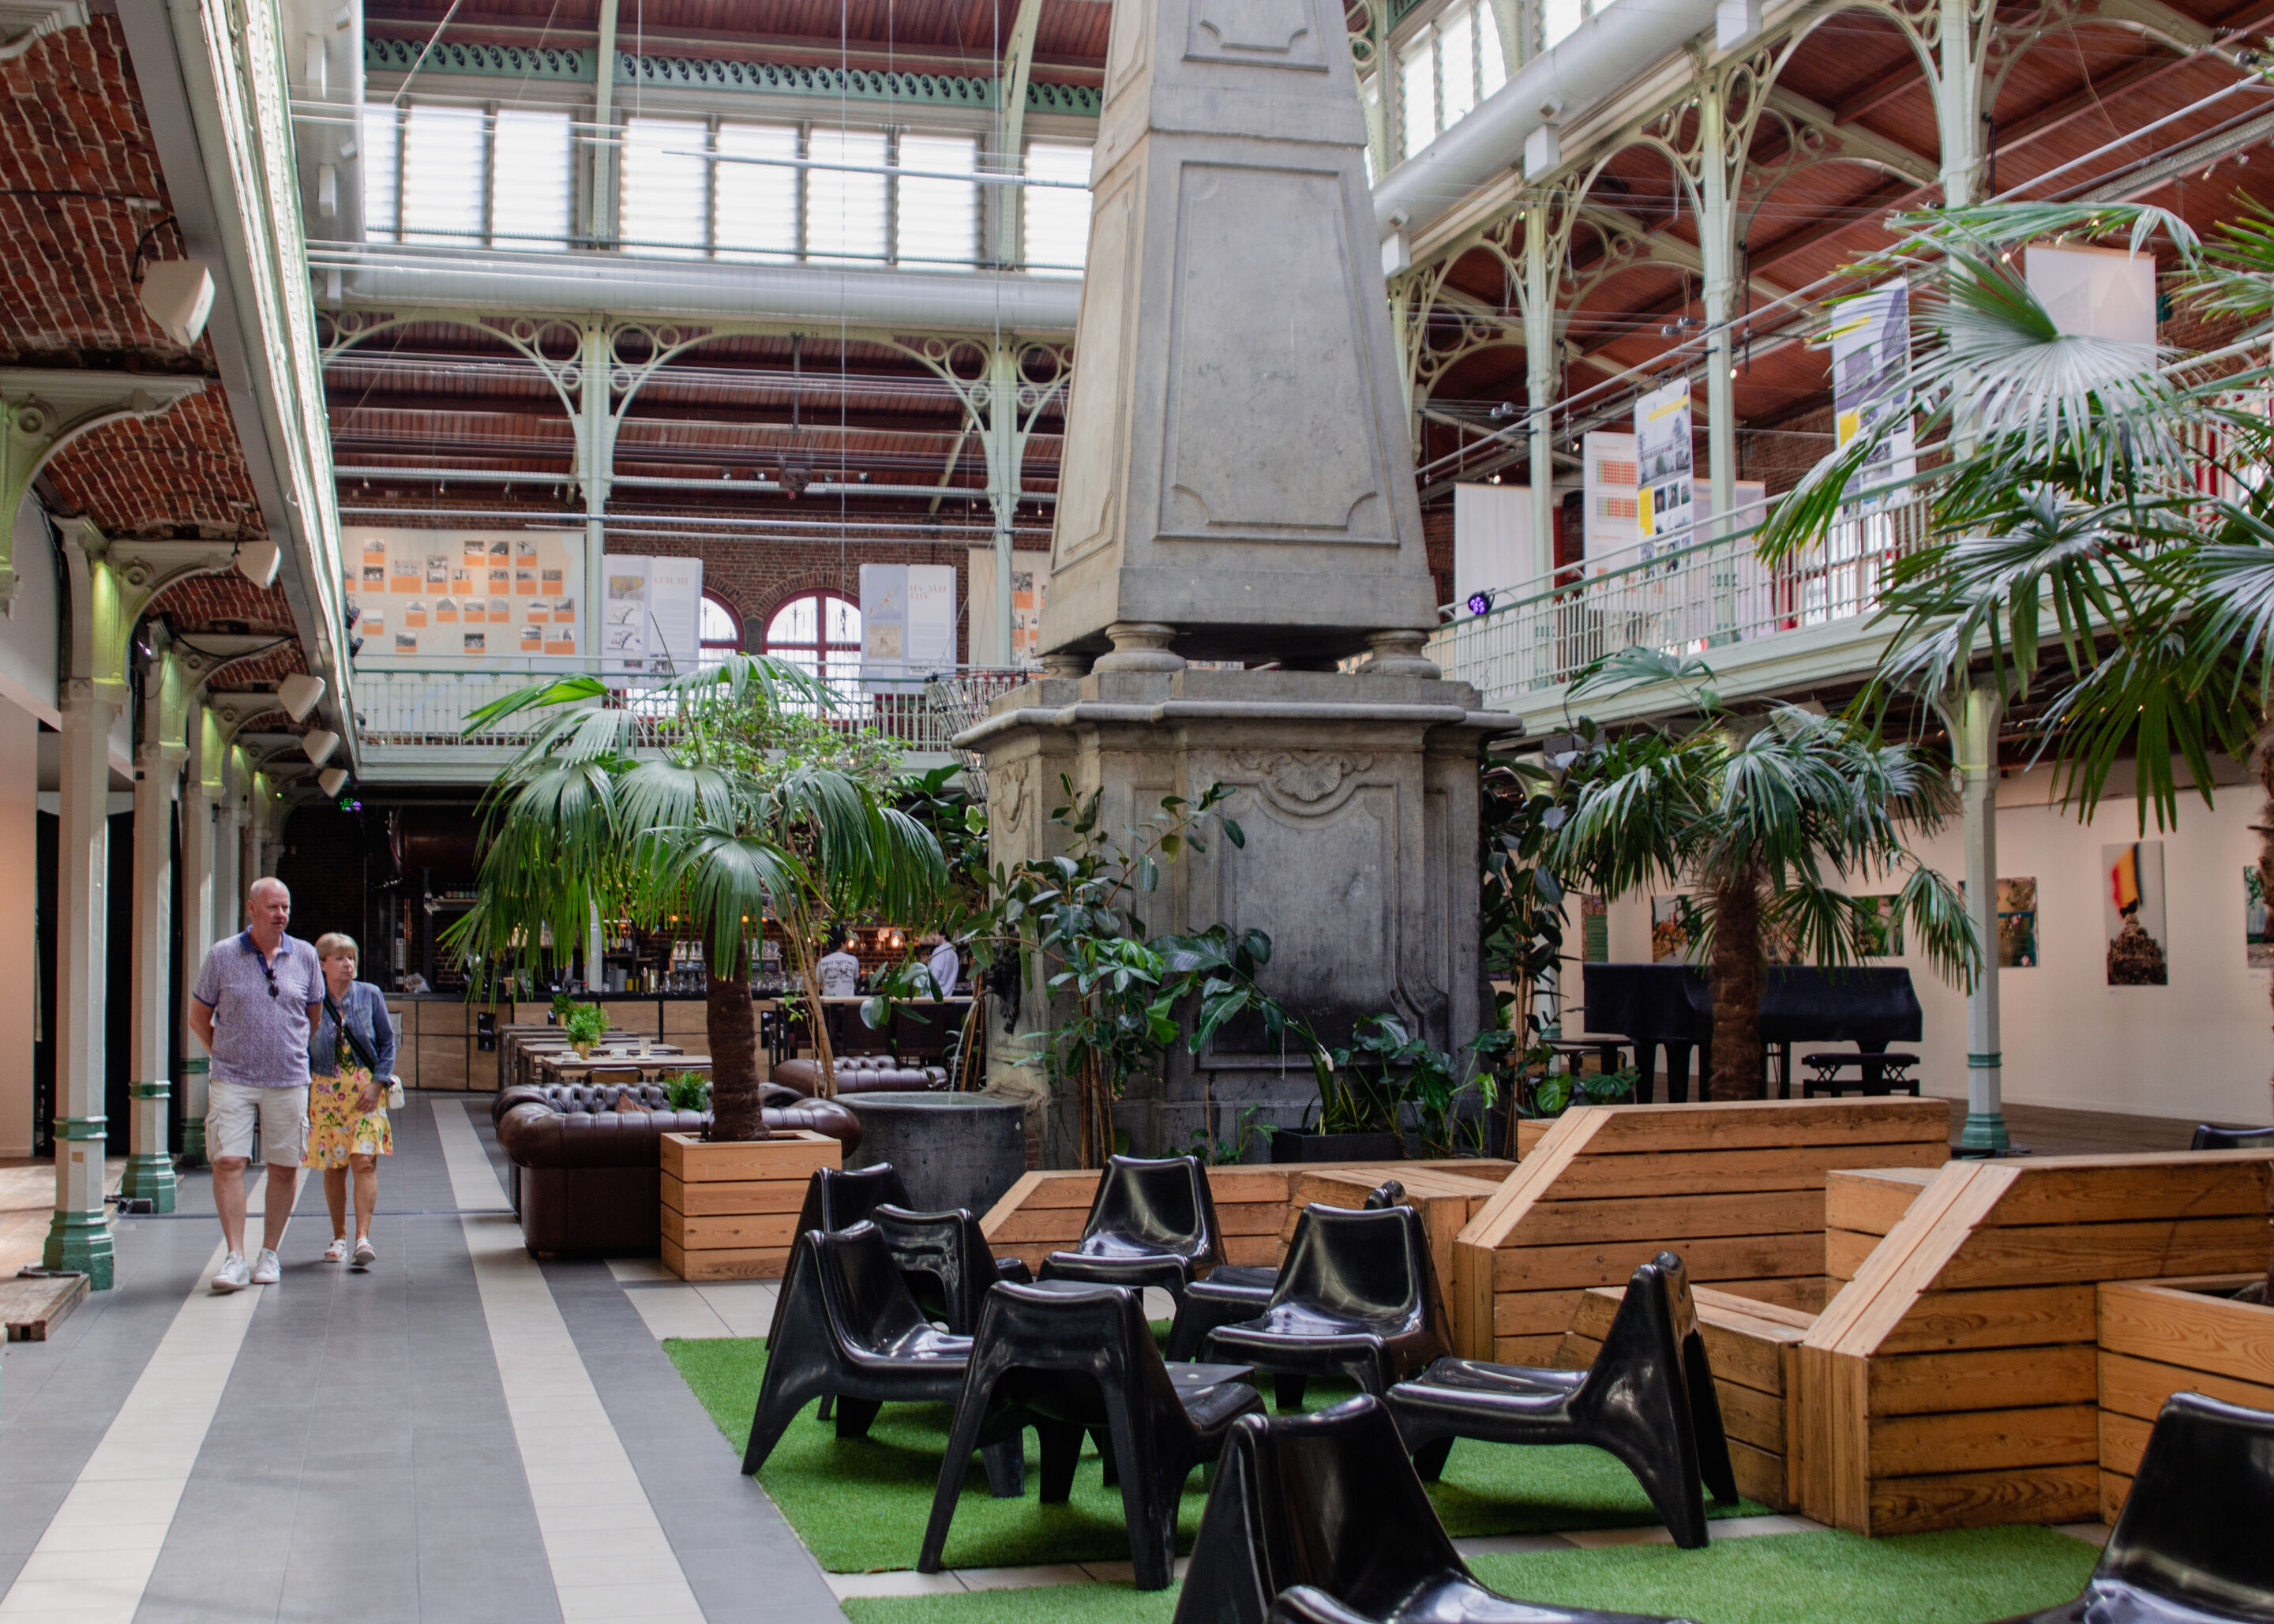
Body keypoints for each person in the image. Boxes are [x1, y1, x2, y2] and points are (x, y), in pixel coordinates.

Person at [189, 876, 324, 1292]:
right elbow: (198, 1017)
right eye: (272, 907)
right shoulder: (223, 955)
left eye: (286, 907)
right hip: (233, 1079)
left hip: (287, 1079)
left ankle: (269, 1253)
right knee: (228, 1161)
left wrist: (287, 1050)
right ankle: (235, 1257)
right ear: (251, 909)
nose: (281, 915)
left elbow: (313, 1018)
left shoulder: (305, 955)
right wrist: (224, 1055)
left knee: (283, 1165)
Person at [306, 933, 396, 1270]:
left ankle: (362, 1238)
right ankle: (339, 1237)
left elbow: (387, 1043)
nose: (348, 964)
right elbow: (300, 1042)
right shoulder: (311, 999)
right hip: (326, 1093)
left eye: (352, 958)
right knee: (335, 1166)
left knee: (364, 1161)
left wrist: (378, 1083)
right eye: (340, 958)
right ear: (323, 964)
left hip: (365, 1091)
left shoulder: (370, 995)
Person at [816, 928, 861, 999]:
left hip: (828, 1001)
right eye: (846, 943)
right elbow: (855, 979)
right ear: (842, 944)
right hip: (849, 1001)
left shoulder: (821, 962)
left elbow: (817, 984)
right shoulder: (853, 960)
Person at [923, 932, 960, 1000]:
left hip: (932, 998)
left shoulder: (939, 952)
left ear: (943, 935)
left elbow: (933, 976)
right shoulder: (954, 954)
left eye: (935, 934)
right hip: (947, 998)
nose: (933, 937)